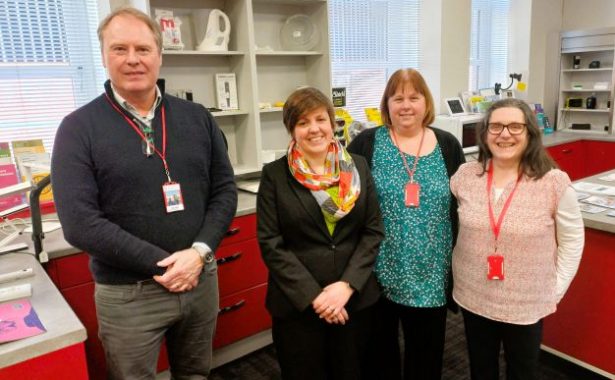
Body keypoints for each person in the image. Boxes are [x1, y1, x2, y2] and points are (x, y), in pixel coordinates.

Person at [51, 7, 237, 379]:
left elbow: (224, 190)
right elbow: (80, 224)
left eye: (143, 48)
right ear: (103, 55)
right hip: (129, 295)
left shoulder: (197, 117)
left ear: (159, 54)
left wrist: (199, 254)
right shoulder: (77, 129)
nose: (133, 59)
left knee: (196, 374)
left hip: (200, 280)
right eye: (120, 49)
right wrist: (168, 265)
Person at [450, 98, 584, 380]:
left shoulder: (553, 182)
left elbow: (572, 241)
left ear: (529, 133)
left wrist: (554, 288)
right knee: (480, 368)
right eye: (496, 126)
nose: (505, 134)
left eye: (514, 126)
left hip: (526, 300)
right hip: (474, 294)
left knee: (522, 371)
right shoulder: (465, 176)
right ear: (485, 133)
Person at [257, 87, 384, 380]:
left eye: (320, 119)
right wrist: (316, 297)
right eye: (303, 123)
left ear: (332, 122)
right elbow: (271, 243)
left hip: (354, 301)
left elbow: (372, 230)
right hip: (298, 306)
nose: (314, 129)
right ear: (292, 129)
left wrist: (347, 285)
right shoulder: (275, 175)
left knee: (352, 371)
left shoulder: (358, 167)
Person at [348, 68, 465, 379]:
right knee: (378, 355)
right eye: (397, 98)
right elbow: (343, 197)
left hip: (431, 272)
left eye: (414, 97)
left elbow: (464, 204)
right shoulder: (366, 143)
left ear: (426, 103)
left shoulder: (447, 145)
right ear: (386, 104)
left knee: (425, 356)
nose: (406, 105)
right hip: (378, 270)